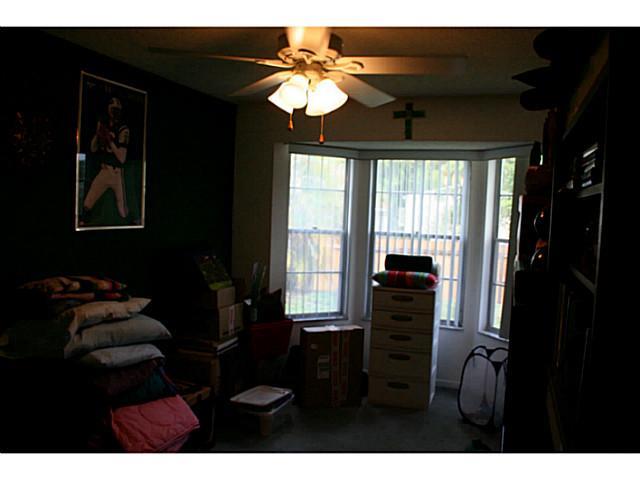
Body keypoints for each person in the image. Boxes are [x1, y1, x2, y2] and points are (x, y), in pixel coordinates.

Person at [81, 97, 130, 224]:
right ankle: (83, 223)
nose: (114, 112)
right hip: (104, 170)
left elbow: (122, 158)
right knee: (87, 204)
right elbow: (93, 149)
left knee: (123, 212)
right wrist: (98, 134)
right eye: (112, 109)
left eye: (116, 110)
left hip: (116, 173)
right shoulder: (105, 125)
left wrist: (110, 141)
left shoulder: (123, 129)